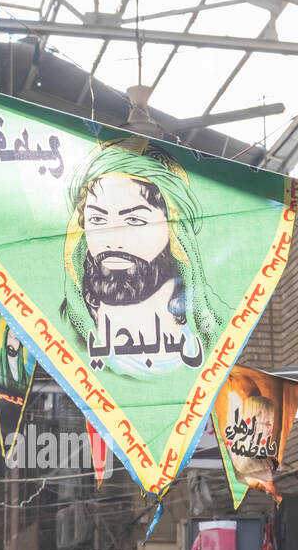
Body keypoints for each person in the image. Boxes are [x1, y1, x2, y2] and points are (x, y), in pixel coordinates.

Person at [61, 137, 224, 377]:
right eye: (98, 220)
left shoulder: (204, 334)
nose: (112, 240)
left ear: (173, 230)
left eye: (134, 220)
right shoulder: (69, 330)